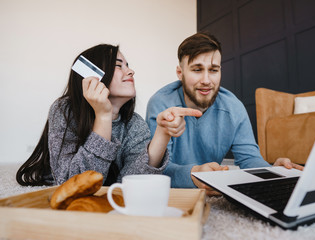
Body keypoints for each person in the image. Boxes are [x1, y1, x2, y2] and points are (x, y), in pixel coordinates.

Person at [16, 44, 199, 186]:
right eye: (118, 66)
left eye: (128, 65)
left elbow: (130, 184)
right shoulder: (64, 110)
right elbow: (69, 184)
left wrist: (162, 133)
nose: (130, 71)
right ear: (94, 76)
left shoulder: (135, 124)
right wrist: (103, 116)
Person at [146, 32, 304, 194]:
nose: (206, 80)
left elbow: (249, 158)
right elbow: (155, 169)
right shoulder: (161, 103)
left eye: (213, 70)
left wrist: (272, 172)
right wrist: (192, 175)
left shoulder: (233, 107)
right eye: (197, 69)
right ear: (180, 73)